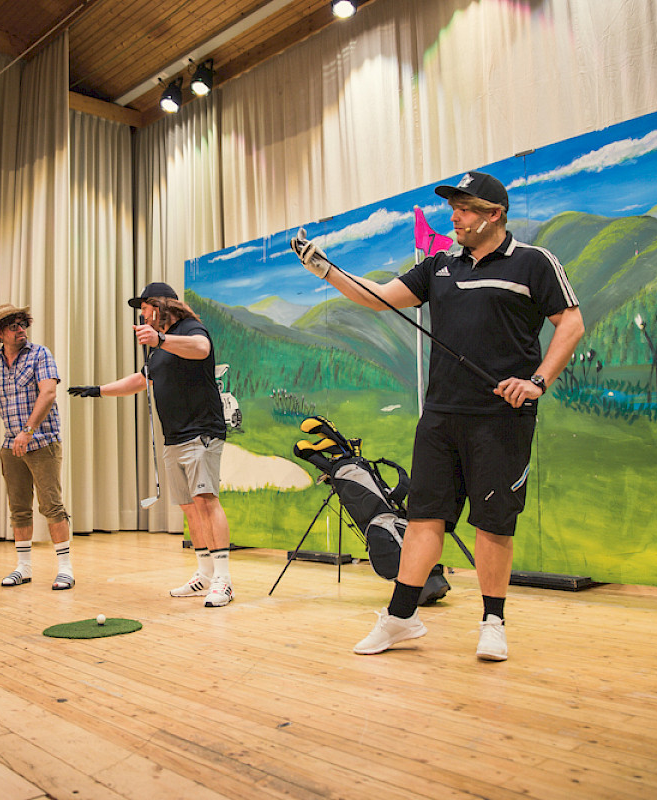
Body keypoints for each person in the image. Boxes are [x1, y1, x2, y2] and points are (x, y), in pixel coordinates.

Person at [291, 171, 584, 661]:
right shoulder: (439, 266)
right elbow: (378, 297)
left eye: (465, 209)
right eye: (453, 208)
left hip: (502, 418)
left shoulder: (534, 262)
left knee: (493, 524)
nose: (455, 217)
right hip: (441, 417)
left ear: (495, 215)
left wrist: (537, 381)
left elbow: (571, 322)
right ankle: (401, 617)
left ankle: (493, 622)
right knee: (425, 517)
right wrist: (324, 269)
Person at [68, 282, 235, 607]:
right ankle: (204, 573)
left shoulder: (189, 329)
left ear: (160, 306)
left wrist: (161, 339)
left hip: (202, 431)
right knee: (189, 507)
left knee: (206, 501)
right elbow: (141, 379)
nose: (142, 315)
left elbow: (202, 349)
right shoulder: (159, 349)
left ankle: (223, 579)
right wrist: (98, 390)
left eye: (145, 308)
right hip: (174, 437)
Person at [0, 303, 75, 590]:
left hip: (43, 442)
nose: (21, 330)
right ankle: (24, 567)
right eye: (14, 326)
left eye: (23, 324)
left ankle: (65, 568)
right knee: (18, 508)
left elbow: (48, 393)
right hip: (11, 446)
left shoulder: (40, 354)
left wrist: (28, 431)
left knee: (52, 505)